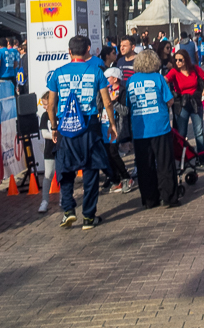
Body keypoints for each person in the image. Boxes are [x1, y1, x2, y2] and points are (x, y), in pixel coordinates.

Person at [46, 36, 117, 230]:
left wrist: (54, 127)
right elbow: (108, 102)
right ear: (88, 49)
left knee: (65, 169)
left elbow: (51, 105)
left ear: (69, 51)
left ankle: (68, 210)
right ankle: (88, 216)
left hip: (65, 128)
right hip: (89, 125)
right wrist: (112, 124)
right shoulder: (97, 71)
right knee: (91, 169)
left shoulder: (57, 74)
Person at [125, 48, 180, 209]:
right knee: (165, 163)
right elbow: (169, 101)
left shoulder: (131, 80)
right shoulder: (158, 78)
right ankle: (169, 197)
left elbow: (128, 104)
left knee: (144, 165)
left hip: (140, 129)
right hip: (160, 127)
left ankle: (149, 199)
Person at [165, 49, 204, 164]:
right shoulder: (174, 71)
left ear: (186, 59)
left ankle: (201, 158)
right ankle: (183, 159)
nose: (178, 62)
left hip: (195, 102)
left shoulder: (194, 69)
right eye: (176, 60)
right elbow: (165, 80)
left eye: (180, 60)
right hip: (181, 103)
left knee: (199, 132)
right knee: (182, 133)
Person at [101, 67, 135, 194]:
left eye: (107, 78)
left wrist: (113, 103)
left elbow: (126, 111)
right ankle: (116, 179)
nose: (105, 81)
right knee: (107, 154)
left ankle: (127, 177)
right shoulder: (104, 90)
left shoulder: (122, 91)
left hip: (117, 126)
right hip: (104, 126)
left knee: (113, 152)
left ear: (115, 79)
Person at [37, 92, 56, 214]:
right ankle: (44, 201)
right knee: (48, 175)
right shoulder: (44, 116)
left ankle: (65, 199)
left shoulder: (60, 113)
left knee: (63, 174)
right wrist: (55, 136)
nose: (44, 107)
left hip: (61, 148)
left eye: (45, 104)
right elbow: (44, 133)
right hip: (50, 149)